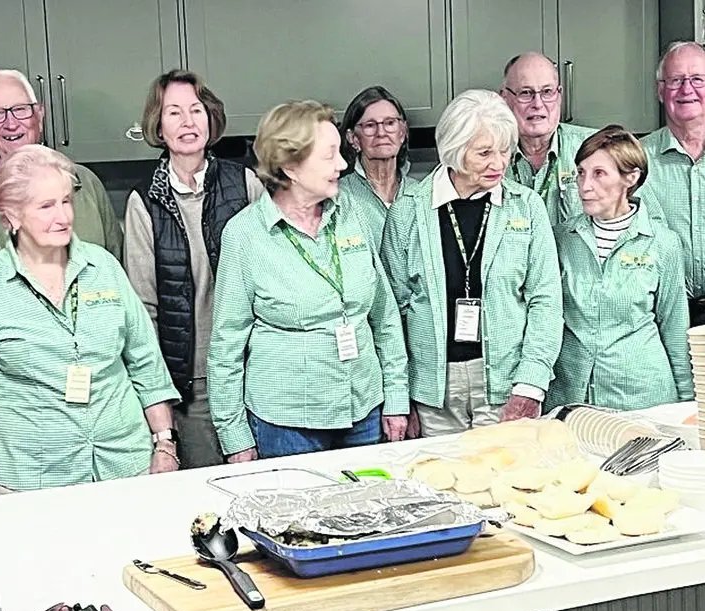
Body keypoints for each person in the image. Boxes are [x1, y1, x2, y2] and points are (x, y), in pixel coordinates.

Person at [0, 145, 181, 497]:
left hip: (126, 466)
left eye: (66, 201)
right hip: (29, 479)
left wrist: (165, 447)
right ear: (11, 216)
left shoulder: (105, 268)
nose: (63, 216)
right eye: (46, 206)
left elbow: (147, 366)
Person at [207, 100, 411, 461]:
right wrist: (234, 434)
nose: (343, 164)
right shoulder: (245, 235)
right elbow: (226, 345)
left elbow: (384, 314)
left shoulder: (353, 213)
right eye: (329, 155)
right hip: (286, 424)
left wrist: (396, 396)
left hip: (363, 407)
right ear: (290, 166)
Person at [381, 90, 563, 437]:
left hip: (506, 382)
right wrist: (401, 396)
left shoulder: (526, 207)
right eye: (484, 153)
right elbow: (393, 312)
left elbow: (546, 302)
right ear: (453, 150)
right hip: (433, 390)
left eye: (505, 150)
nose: (499, 163)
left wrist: (530, 383)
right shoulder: (408, 211)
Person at [124, 70, 264, 469]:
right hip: (191, 382)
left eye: (196, 110)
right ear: (158, 125)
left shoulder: (246, 183)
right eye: (174, 112)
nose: (188, 122)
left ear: (211, 118)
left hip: (253, 367)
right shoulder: (143, 201)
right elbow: (143, 309)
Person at [0, 69, 122, 294]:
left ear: (40, 115)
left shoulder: (86, 183)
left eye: (21, 110)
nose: (11, 124)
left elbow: (117, 274)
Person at [548, 126, 692, 411]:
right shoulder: (561, 239)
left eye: (599, 174)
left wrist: (687, 406)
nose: (585, 185)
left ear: (631, 177)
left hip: (642, 398)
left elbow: (675, 328)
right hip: (571, 398)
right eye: (580, 172)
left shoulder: (662, 244)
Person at [641, 41, 705, 326]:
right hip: (661, 321)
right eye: (675, 80)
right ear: (660, 90)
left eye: (697, 79)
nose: (686, 89)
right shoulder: (637, 161)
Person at [499, 52, 596, 235]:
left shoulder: (597, 149)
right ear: (505, 97)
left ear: (559, 95)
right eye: (526, 93)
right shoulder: (486, 158)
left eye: (547, 92)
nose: (538, 103)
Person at [338, 85, 418, 247]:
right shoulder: (340, 196)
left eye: (390, 123)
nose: (381, 133)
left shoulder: (421, 194)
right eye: (370, 125)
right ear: (353, 138)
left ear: (402, 132)